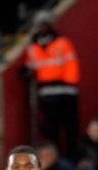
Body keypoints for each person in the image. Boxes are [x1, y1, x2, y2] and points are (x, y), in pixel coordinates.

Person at [25, 12, 79, 157]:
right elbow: (31, 66)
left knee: (70, 130)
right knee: (51, 131)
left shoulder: (62, 42)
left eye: (46, 23)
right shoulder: (33, 46)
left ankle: (71, 157)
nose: (43, 27)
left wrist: (70, 88)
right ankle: (56, 158)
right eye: (40, 24)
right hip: (47, 94)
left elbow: (71, 65)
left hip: (65, 92)